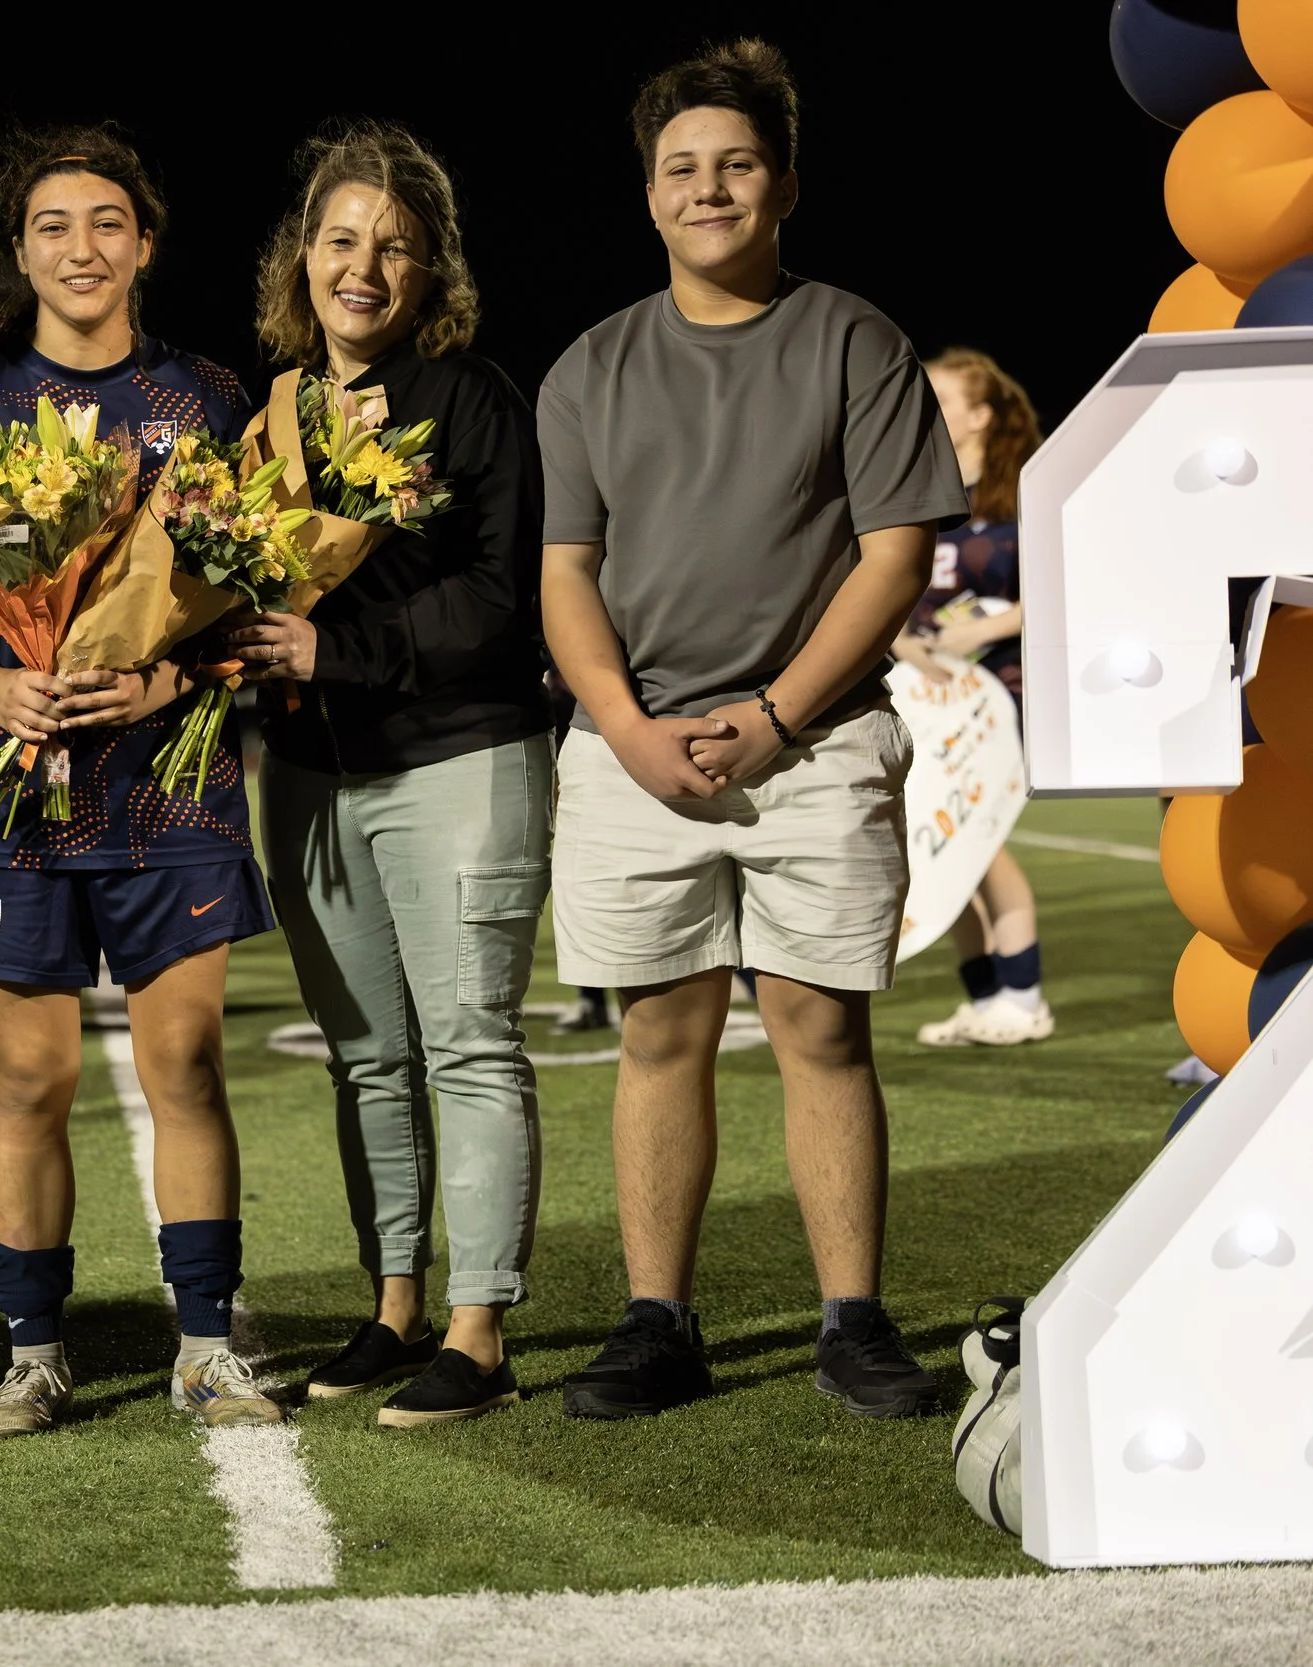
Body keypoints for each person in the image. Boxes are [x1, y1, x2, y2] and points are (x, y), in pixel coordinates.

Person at [535, 40, 967, 1420]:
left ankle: (854, 1318)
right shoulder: (589, 366)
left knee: (819, 1026)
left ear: (784, 185)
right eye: (681, 169)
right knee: (660, 1031)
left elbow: (896, 552)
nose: (708, 188)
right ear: (648, 194)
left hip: (818, 739)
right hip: (638, 752)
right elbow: (565, 573)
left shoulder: (856, 338)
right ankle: (658, 1320)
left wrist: (779, 716)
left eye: (735, 164)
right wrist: (625, 725)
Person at [0, 126, 283, 1437]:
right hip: (6, 777)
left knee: (184, 1059)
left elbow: (245, 593)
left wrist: (168, 683)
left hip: (167, 784)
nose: (82, 247)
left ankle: (207, 1343)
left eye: (108, 221)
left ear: (146, 242)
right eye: (54, 225)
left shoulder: (206, 398)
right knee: (30, 1082)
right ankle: (32, 1350)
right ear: (21, 248)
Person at [225, 123, 552, 1427]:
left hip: (459, 757)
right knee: (366, 1055)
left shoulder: (472, 400)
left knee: (467, 1044)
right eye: (343, 238)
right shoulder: (274, 417)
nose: (365, 266)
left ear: (430, 275)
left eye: (395, 248)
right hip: (309, 770)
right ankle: (395, 1304)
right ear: (303, 255)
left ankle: (479, 1327)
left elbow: (499, 599)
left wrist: (333, 641)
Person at [899, 348, 1049, 1048]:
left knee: (980, 844)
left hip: (1000, 690)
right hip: (929, 694)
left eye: (941, 396)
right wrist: (902, 643)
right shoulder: (913, 489)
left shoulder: (1027, 493)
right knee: (940, 852)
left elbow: (1059, 590)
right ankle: (986, 998)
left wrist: (983, 630)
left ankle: (1024, 997)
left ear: (981, 414)